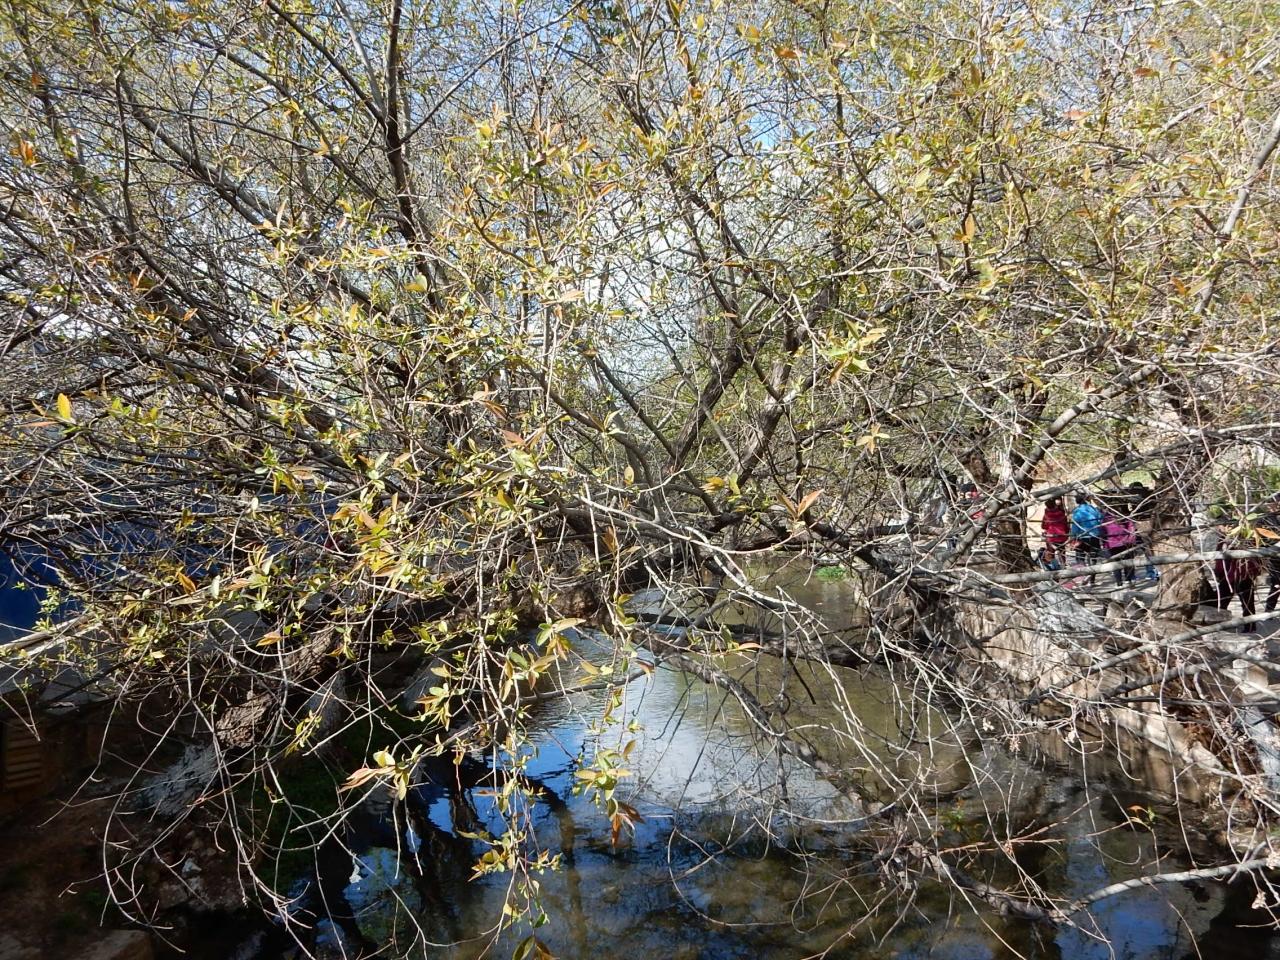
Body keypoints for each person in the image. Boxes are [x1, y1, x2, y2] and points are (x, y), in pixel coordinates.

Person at [1214, 546, 1262, 633]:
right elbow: (1219, 562)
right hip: (1231, 578)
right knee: (1222, 603)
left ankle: (1250, 626)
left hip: (1242, 578)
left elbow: (1256, 563)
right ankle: (1219, 624)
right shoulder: (1225, 544)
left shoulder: (1246, 546)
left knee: (1247, 604)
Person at [1071, 492, 1105, 584]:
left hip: (1082, 537)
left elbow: (1075, 526)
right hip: (1094, 536)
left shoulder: (1077, 512)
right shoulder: (1093, 510)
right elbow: (1100, 520)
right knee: (1093, 558)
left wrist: (1073, 536)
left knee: (1080, 558)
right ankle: (1092, 579)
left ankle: (1083, 576)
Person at [1102, 506, 1137, 586]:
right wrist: (1131, 540)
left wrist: (1104, 543)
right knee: (1126, 562)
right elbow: (1131, 528)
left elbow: (1102, 531)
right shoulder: (1121, 516)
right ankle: (1127, 580)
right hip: (1123, 543)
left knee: (1116, 564)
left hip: (1113, 544)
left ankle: (1120, 582)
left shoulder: (1105, 518)